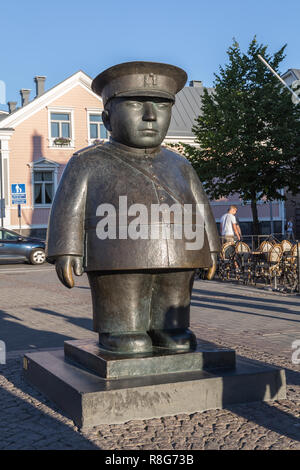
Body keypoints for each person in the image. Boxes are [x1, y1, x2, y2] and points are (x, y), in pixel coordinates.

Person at [46, 61, 220, 355]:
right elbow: (69, 208)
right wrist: (67, 249)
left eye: (162, 106)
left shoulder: (181, 165)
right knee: (123, 292)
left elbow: (200, 207)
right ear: (107, 118)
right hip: (115, 253)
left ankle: (171, 327)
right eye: (137, 104)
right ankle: (120, 328)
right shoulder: (88, 162)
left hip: (180, 252)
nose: (151, 116)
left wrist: (211, 247)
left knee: (174, 293)